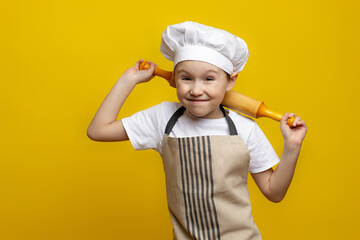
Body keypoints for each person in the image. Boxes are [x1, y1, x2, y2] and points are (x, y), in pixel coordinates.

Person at [87, 21, 307, 240]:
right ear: (175, 78)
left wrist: (292, 146)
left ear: (230, 81)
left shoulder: (245, 129)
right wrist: (129, 79)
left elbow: (274, 192)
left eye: (209, 79)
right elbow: (98, 130)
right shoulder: (163, 118)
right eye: (186, 78)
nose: (195, 89)